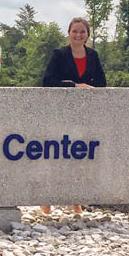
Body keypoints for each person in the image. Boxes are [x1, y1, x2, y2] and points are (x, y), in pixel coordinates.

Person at [39, 16, 106, 215]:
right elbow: (48, 81)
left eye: (82, 32)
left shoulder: (93, 56)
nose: (78, 35)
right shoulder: (59, 54)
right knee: (54, 156)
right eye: (74, 31)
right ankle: (46, 200)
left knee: (78, 159)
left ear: (87, 35)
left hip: (83, 114)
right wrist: (75, 86)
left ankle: (75, 199)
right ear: (69, 33)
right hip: (59, 112)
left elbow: (102, 83)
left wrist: (90, 89)